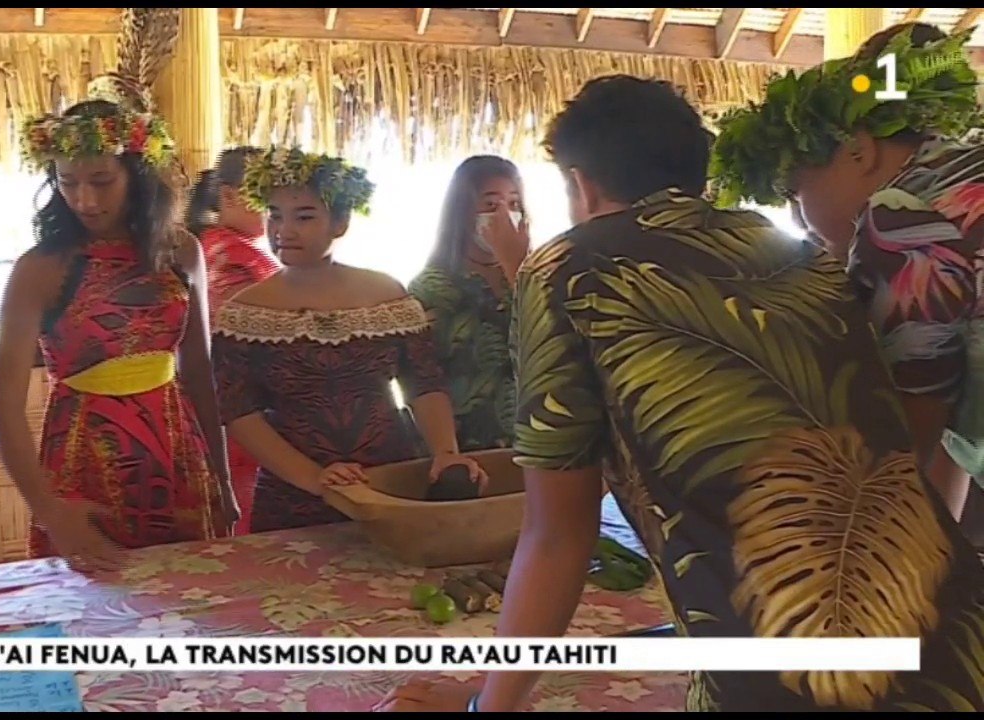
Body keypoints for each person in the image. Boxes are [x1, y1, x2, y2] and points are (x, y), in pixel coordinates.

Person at [379, 75, 984, 713]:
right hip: (957, 629)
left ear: (581, 186)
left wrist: (487, 705)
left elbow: (557, 534)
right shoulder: (804, 257)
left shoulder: (568, 270)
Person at [710, 23, 984, 521]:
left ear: (859, 150)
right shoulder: (961, 181)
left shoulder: (898, 219)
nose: (799, 219)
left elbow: (902, 455)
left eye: (795, 191)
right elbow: (942, 425)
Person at [0, 88, 238, 574]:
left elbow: (199, 373)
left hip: (179, 456)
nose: (84, 200)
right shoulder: (39, 269)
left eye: (102, 181)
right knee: (93, 601)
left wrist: (222, 479)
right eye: (67, 182)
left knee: (187, 597)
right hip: (84, 465)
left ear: (138, 175)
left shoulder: (182, 252)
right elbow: (3, 404)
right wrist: (50, 511)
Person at [212, 147, 487, 534]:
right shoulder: (243, 313)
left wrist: (445, 453)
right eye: (275, 215)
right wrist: (315, 478)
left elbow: (424, 382)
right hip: (293, 492)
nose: (284, 230)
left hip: (392, 479)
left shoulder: (387, 294)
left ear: (340, 222)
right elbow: (239, 414)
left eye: (304, 217)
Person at [185, 146, 279, 535]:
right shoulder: (227, 256)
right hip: (240, 413)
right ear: (228, 195)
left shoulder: (222, 247)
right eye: (266, 195)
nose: (276, 209)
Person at [408, 156, 531, 452]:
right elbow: (420, 379)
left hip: (537, 443)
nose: (505, 216)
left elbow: (554, 344)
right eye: (490, 205)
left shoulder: (537, 277)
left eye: (514, 204)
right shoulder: (433, 288)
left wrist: (516, 265)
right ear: (462, 213)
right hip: (463, 448)